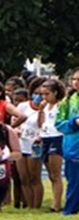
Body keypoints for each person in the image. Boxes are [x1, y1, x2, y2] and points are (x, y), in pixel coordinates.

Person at [14, 87, 44, 210]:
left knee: (34, 177)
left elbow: (44, 126)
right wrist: (16, 130)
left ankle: (36, 205)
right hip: (22, 144)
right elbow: (15, 121)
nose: (38, 97)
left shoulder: (45, 109)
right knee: (23, 177)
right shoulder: (22, 106)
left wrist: (39, 136)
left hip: (35, 145)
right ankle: (29, 204)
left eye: (41, 94)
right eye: (36, 93)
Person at [38, 78, 66, 212]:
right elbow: (41, 123)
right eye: (42, 94)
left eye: (47, 94)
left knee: (56, 173)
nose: (44, 97)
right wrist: (40, 111)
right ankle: (55, 201)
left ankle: (56, 203)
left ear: (55, 93)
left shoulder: (60, 105)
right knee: (50, 173)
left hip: (56, 137)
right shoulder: (44, 106)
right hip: (45, 136)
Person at [56, 70, 79, 216]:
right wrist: (74, 123)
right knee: (74, 180)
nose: (76, 82)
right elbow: (59, 124)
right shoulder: (67, 101)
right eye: (74, 79)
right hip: (73, 147)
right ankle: (71, 208)